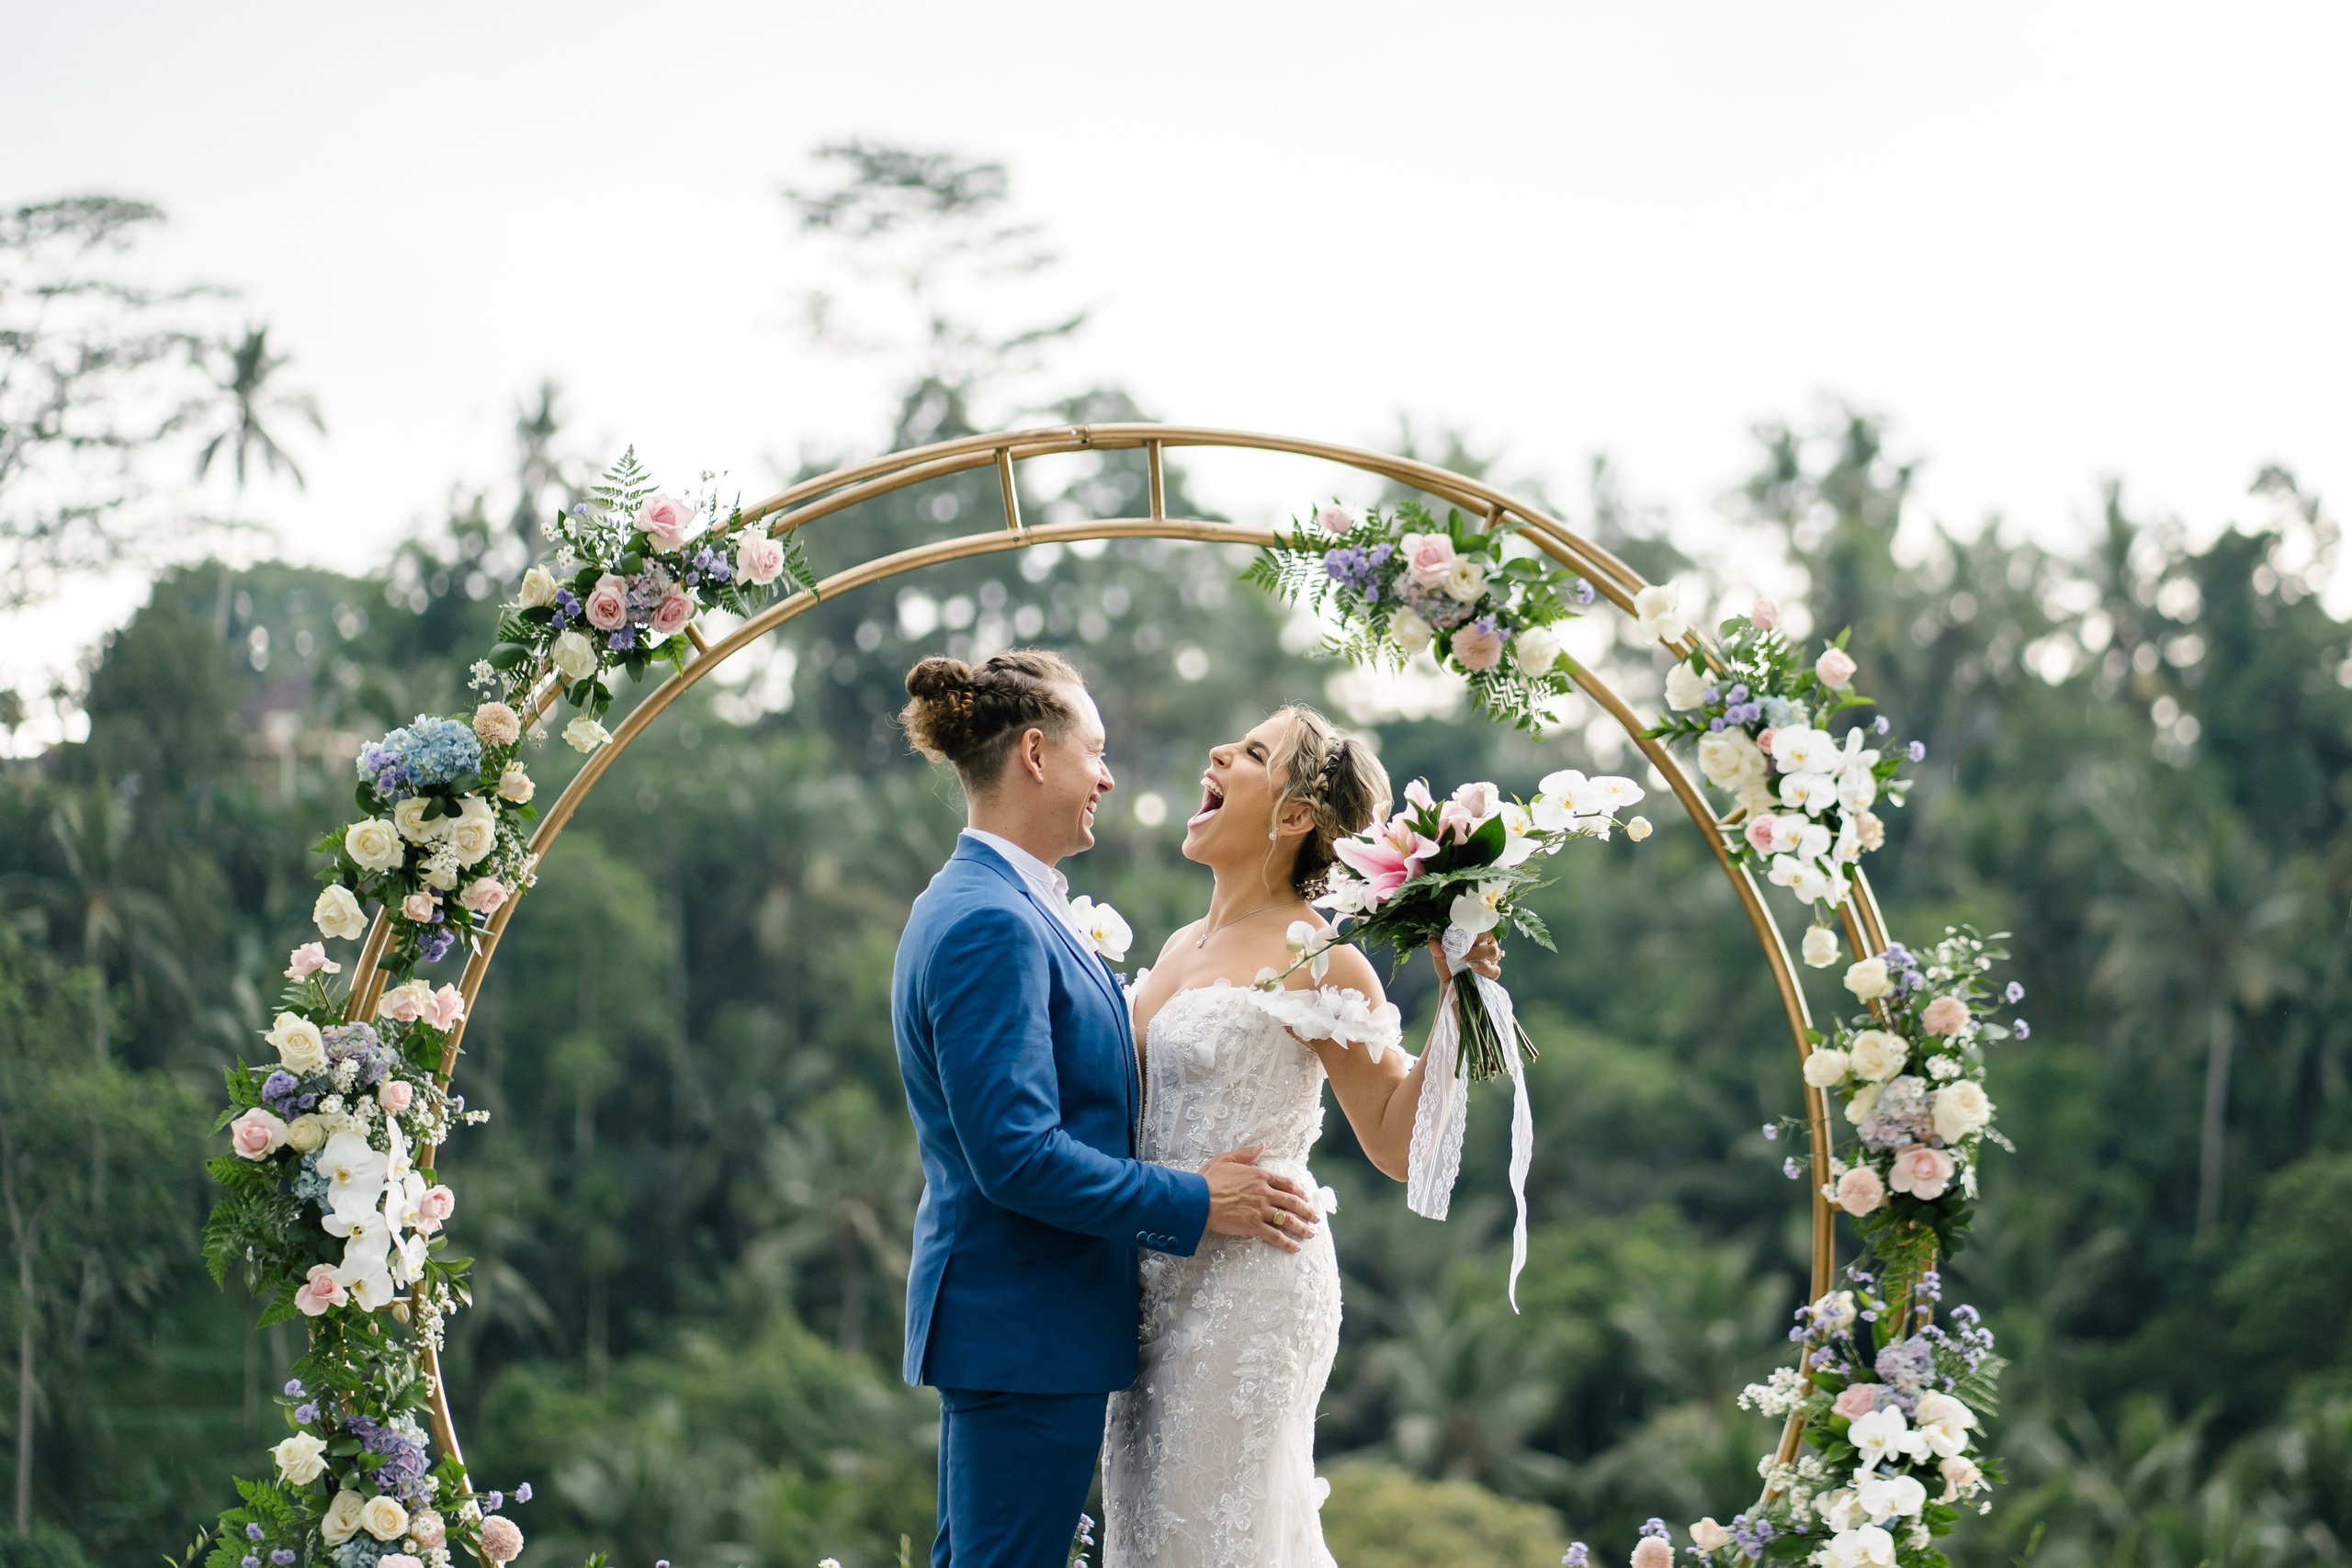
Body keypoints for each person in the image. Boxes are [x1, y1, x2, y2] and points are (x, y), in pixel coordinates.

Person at [892, 649, 1325, 1568]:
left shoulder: (1005, 904)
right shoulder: (989, 921)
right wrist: (1198, 1201)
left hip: (1032, 1329)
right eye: (1097, 751)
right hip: (1024, 1327)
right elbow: (1015, 1155)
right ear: (1038, 756)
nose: (1109, 776)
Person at [1102, 703, 1498, 1568]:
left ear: (1293, 817)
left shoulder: (1318, 954)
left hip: (1252, 1288)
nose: (1215, 749)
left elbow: (1396, 1143)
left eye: (1249, 751)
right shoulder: (1174, 947)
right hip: (1149, 1289)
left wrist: (1460, 1000)